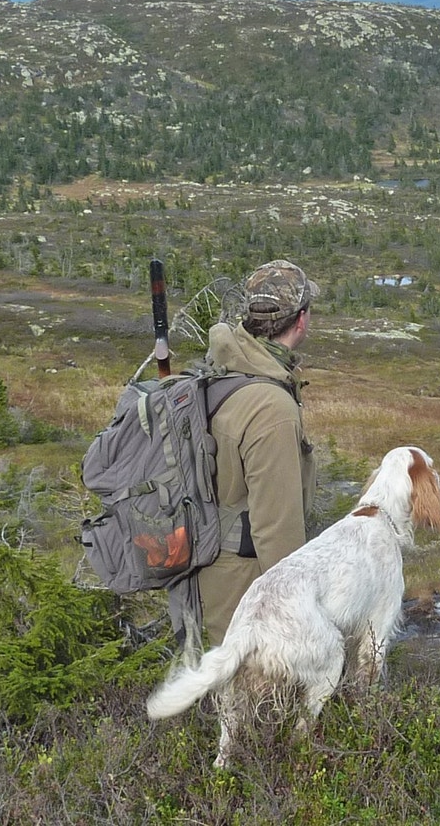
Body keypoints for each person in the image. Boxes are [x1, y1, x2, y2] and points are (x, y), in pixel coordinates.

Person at [196, 259, 321, 647]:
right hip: (244, 588)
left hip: (210, 573)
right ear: (300, 320)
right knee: (251, 698)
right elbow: (276, 533)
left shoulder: (224, 366)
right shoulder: (272, 409)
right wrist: (300, 625)